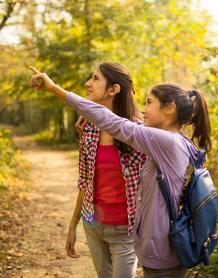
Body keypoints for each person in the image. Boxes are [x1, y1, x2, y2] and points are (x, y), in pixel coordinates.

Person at [29, 66, 212, 278]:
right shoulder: (174, 141)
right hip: (156, 250)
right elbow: (115, 126)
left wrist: (54, 88)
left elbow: (116, 123)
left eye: (149, 103)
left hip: (161, 253)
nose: (143, 110)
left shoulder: (165, 142)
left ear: (169, 109)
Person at [44, 63, 146, 278]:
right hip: (94, 225)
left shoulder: (138, 132)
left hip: (126, 231)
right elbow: (85, 182)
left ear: (114, 89)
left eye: (96, 79)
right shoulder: (88, 129)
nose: (88, 83)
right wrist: (73, 225)